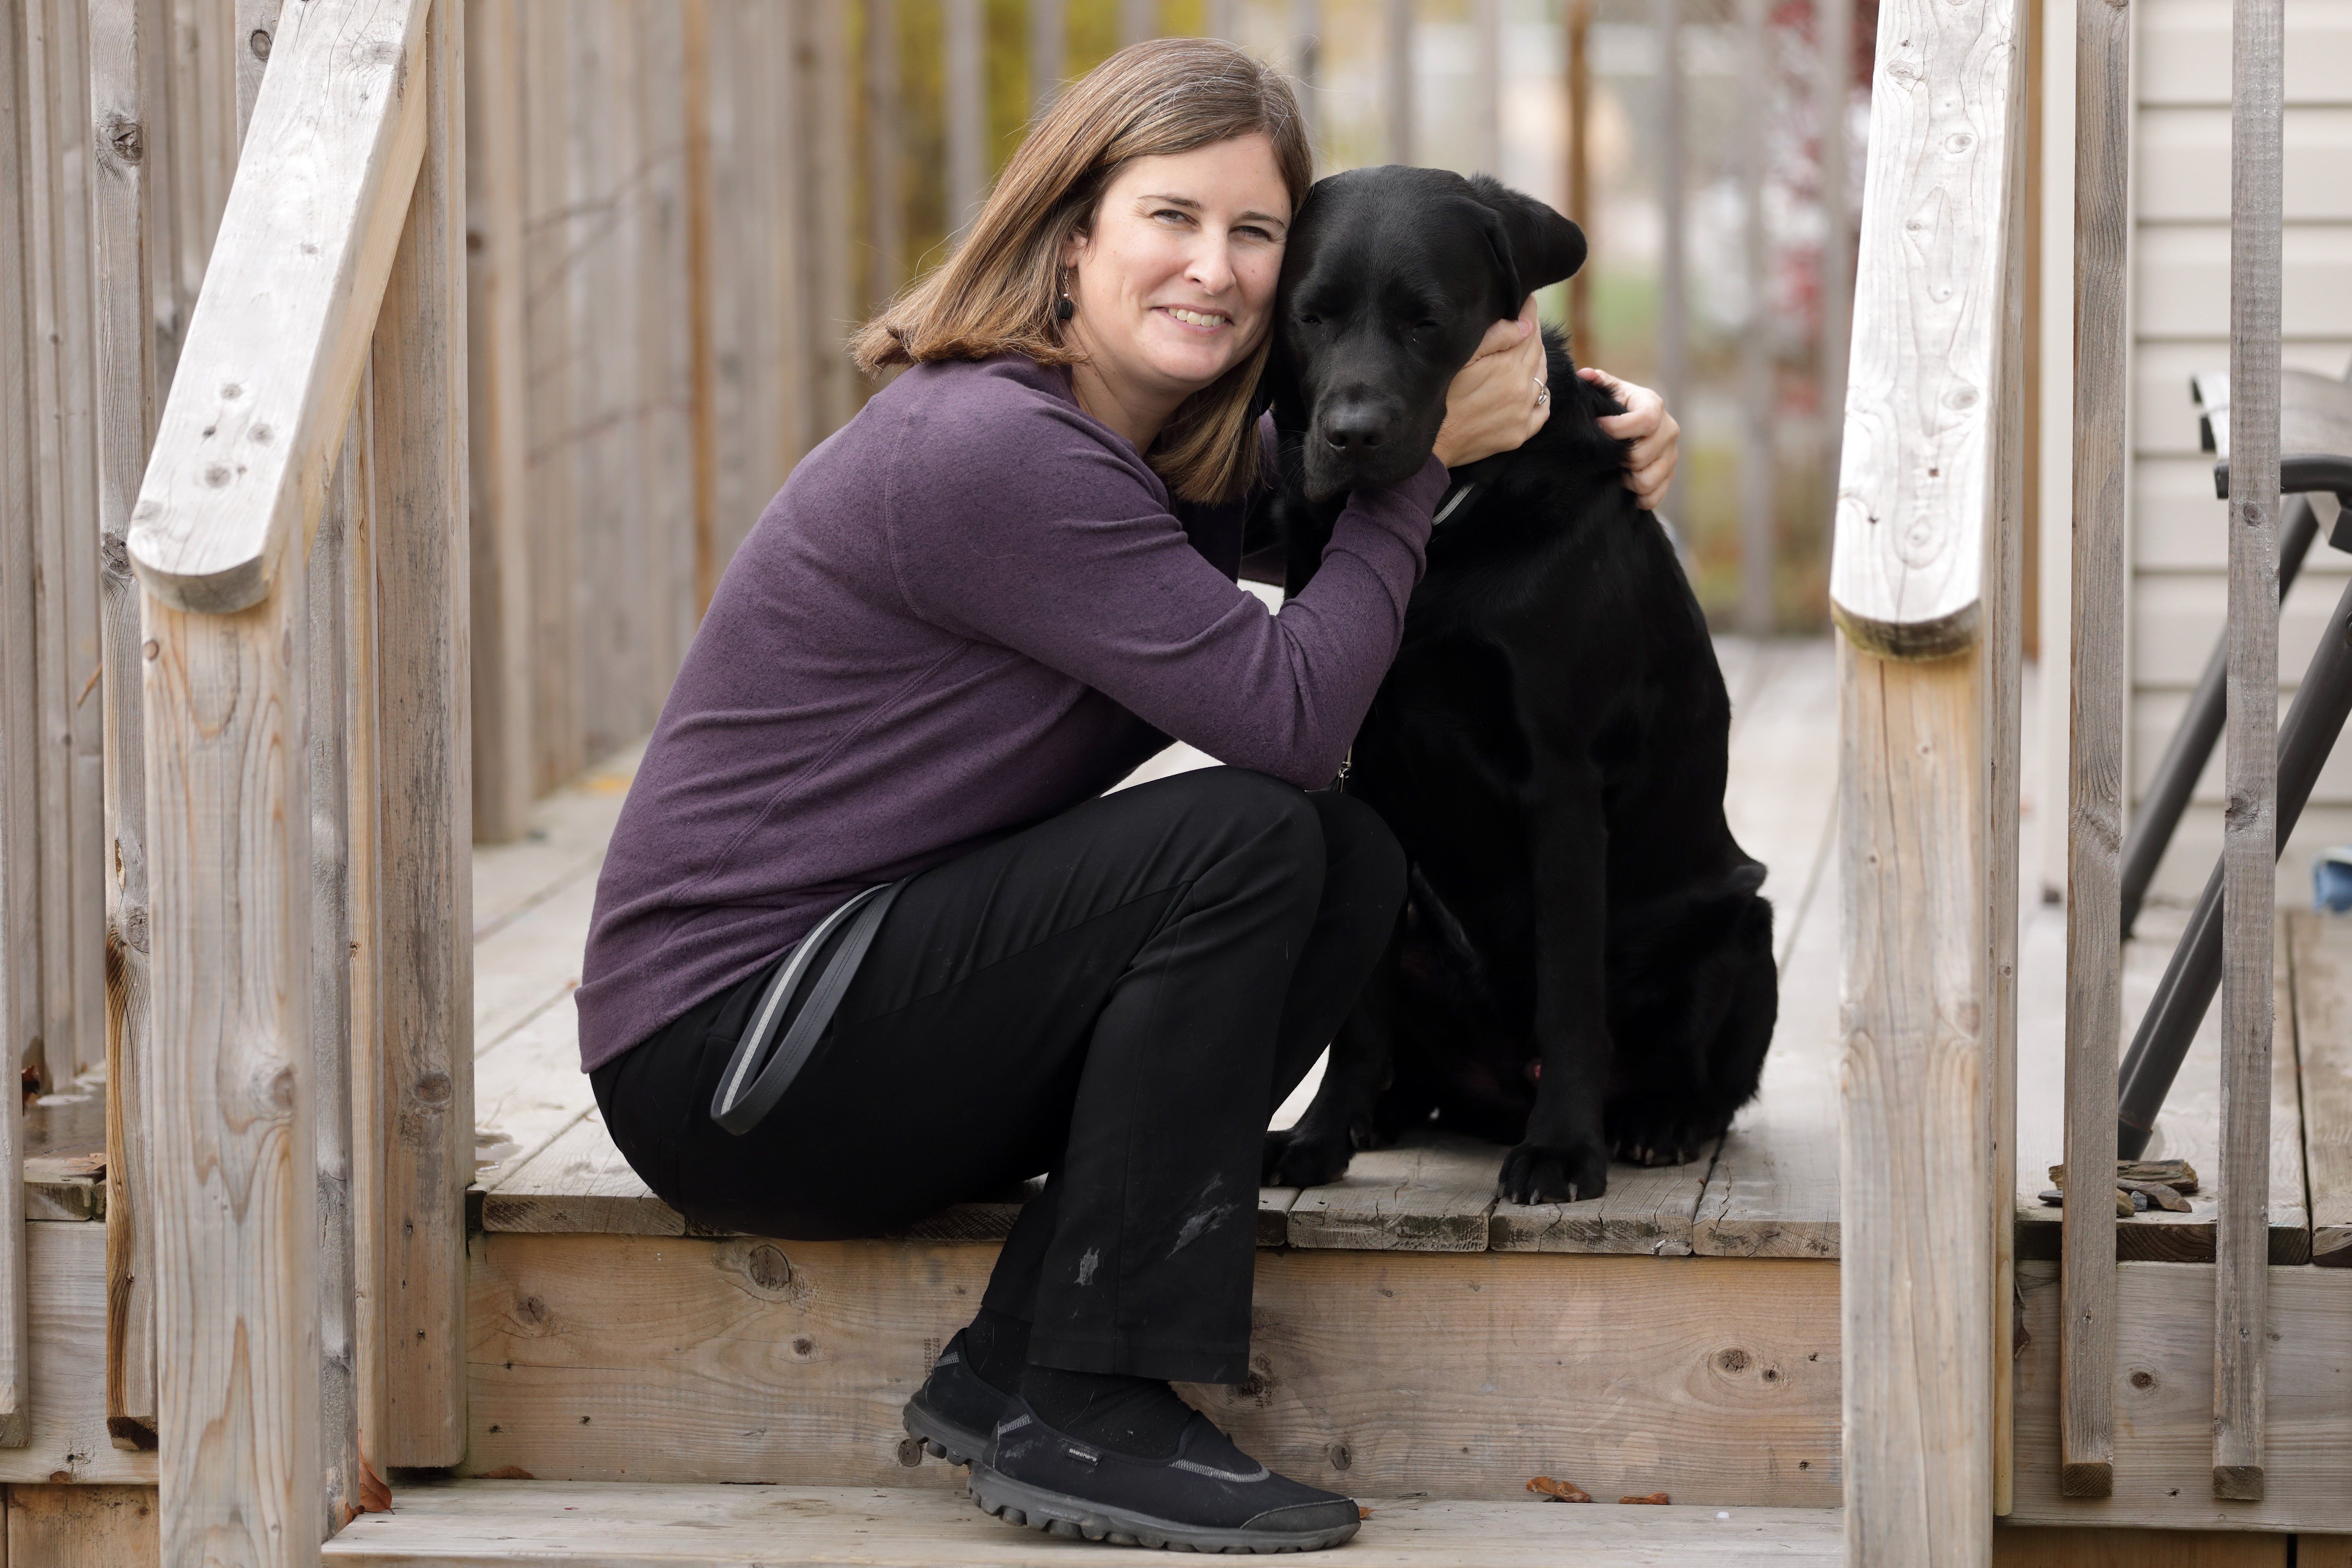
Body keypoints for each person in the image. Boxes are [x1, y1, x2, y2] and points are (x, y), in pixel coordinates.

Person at [575, 37, 1679, 1555]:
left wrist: (1593, 421)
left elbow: (1328, 472)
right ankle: (1091, 1403)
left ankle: (1013, 1368)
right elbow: (1296, 707)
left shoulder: (1132, 447)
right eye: (1171, 217)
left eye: (1254, 233)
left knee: (1332, 856)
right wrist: (1420, 475)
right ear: (1071, 230)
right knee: (1250, 830)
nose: (1215, 271)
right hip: (735, 1063)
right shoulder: (993, 450)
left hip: (857, 1030)